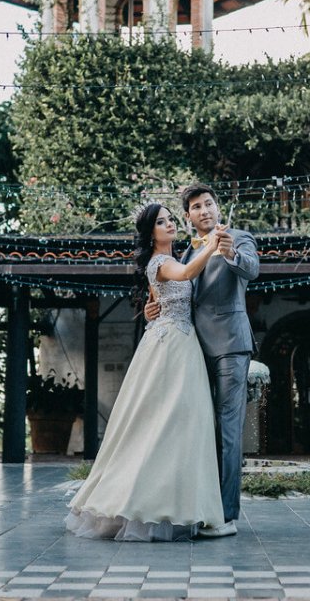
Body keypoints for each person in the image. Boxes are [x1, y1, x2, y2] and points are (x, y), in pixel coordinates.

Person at [65, 203, 225, 541]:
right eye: (161, 222)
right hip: (171, 349)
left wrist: (153, 312)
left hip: (177, 342)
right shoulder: (162, 262)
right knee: (164, 421)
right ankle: (145, 503)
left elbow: (158, 302)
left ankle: (178, 504)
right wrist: (212, 245)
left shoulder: (173, 258)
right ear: (150, 232)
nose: (169, 225)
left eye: (170, 219)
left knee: (179, 424)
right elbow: (184, 276)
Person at [145, 183, 260, 537]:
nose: (205, 210)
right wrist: (155, 311)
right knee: (197, 430)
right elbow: (178, 295)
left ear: (217, 208)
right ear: (188, 216)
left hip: (229, 345)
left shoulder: (237, 237)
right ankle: (200, 507)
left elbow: (252, 270)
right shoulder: (182, 257)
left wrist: (229, 254)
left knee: (227, 429)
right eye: (197, 206)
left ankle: (226, 516)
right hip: (193, 352)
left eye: (209, 203)